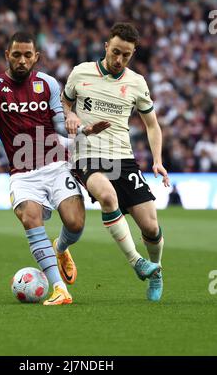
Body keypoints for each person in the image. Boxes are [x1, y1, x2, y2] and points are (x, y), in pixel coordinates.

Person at [0, 33, 110, 305]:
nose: (22, 60)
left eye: (27, 55)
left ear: (36, 57)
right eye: (16, 55)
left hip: (57, 165)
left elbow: (58, 124)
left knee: (75, 223)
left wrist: (83, 129)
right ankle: (60, 289)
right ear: (7, 54)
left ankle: (61, 248)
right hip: (23, 174)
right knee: (31, 218)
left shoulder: (48, 84)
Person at [61, 22, 170, 302]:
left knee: (150, 227)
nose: (119, 60)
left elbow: (152, 125)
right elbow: (63, 102)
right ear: (106, 46)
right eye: (116, 52)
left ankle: (156, 272)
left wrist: (157, 160)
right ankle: (137, 263)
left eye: (126, 55)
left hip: (123, 158)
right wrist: (69, 115)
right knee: (108, 197)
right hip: (87, 154)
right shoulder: (80, 72)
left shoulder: (136, 82)